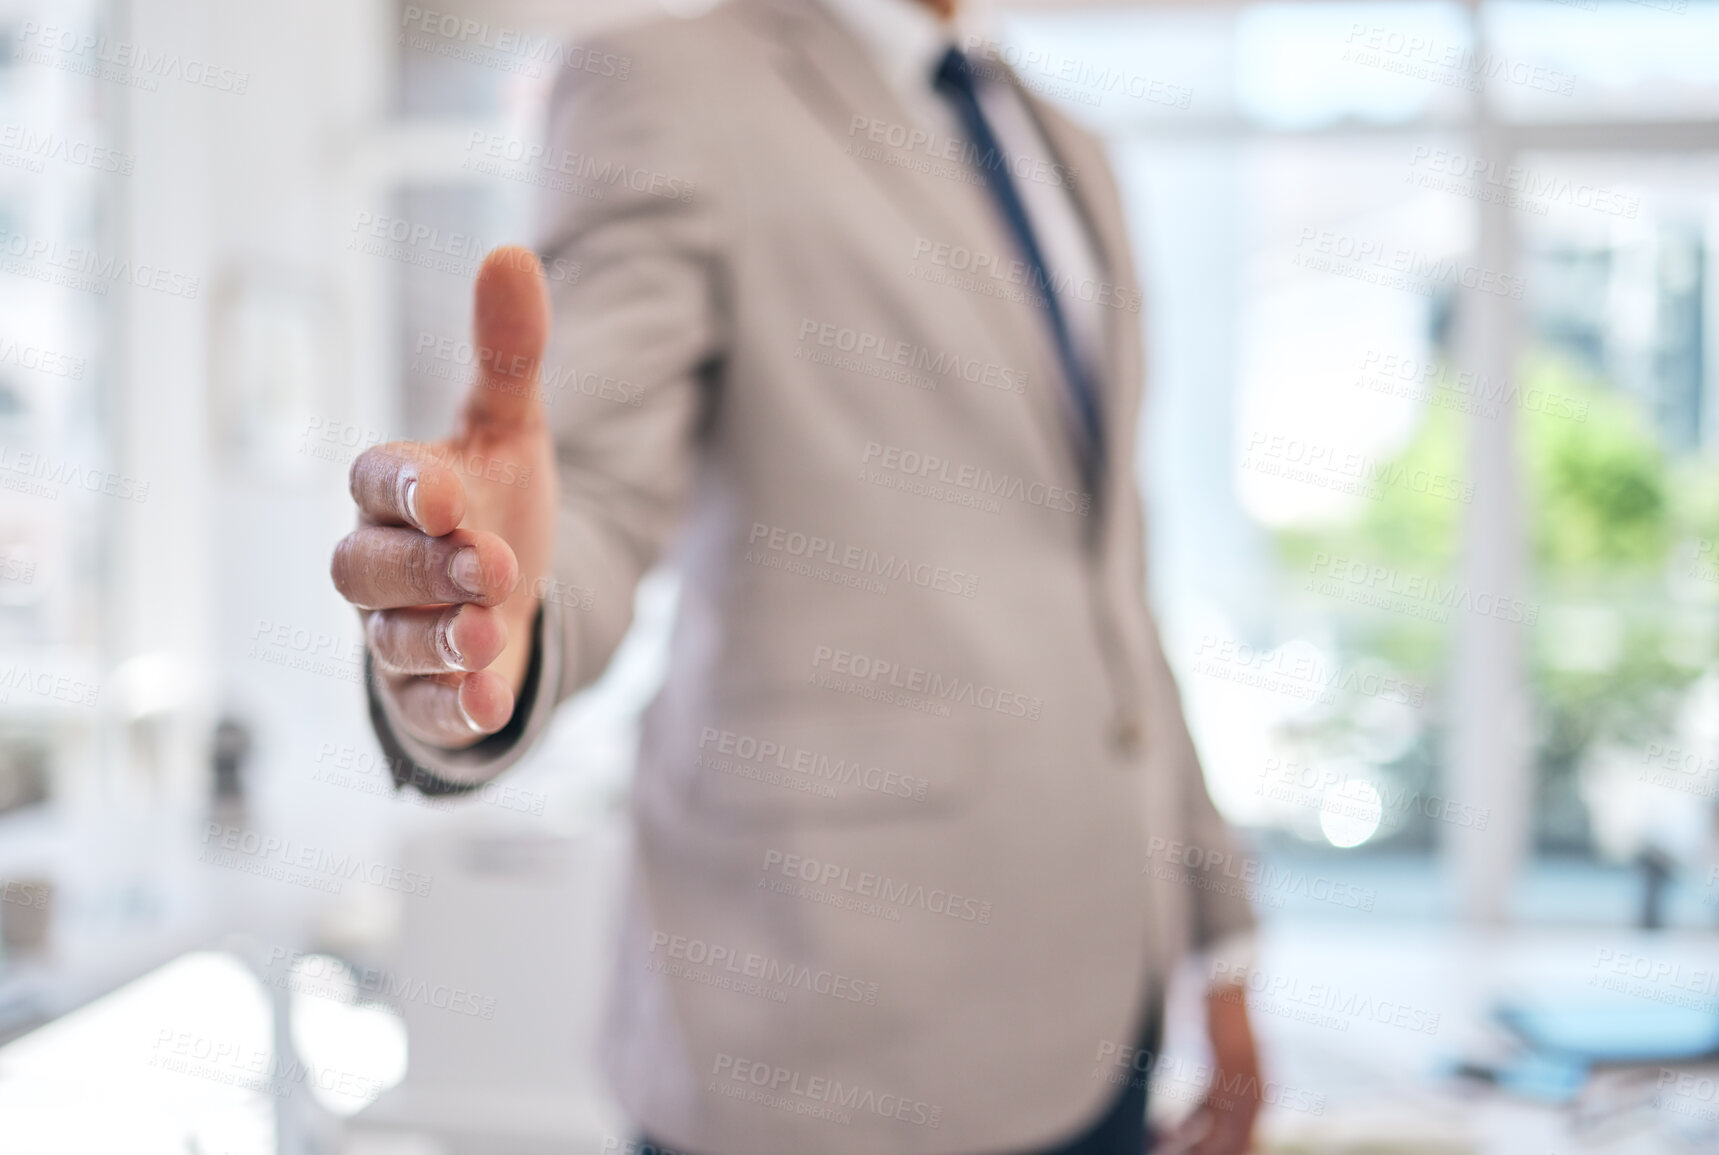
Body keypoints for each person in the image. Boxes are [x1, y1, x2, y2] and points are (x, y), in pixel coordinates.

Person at [330, 0, 1262, 1151]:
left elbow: (1112, 588)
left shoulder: (1069, 146)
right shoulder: (668, 86)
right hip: (821, 1024)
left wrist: (1219, 945)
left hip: (1104, 1002)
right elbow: (597, 488)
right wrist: (495, 609)